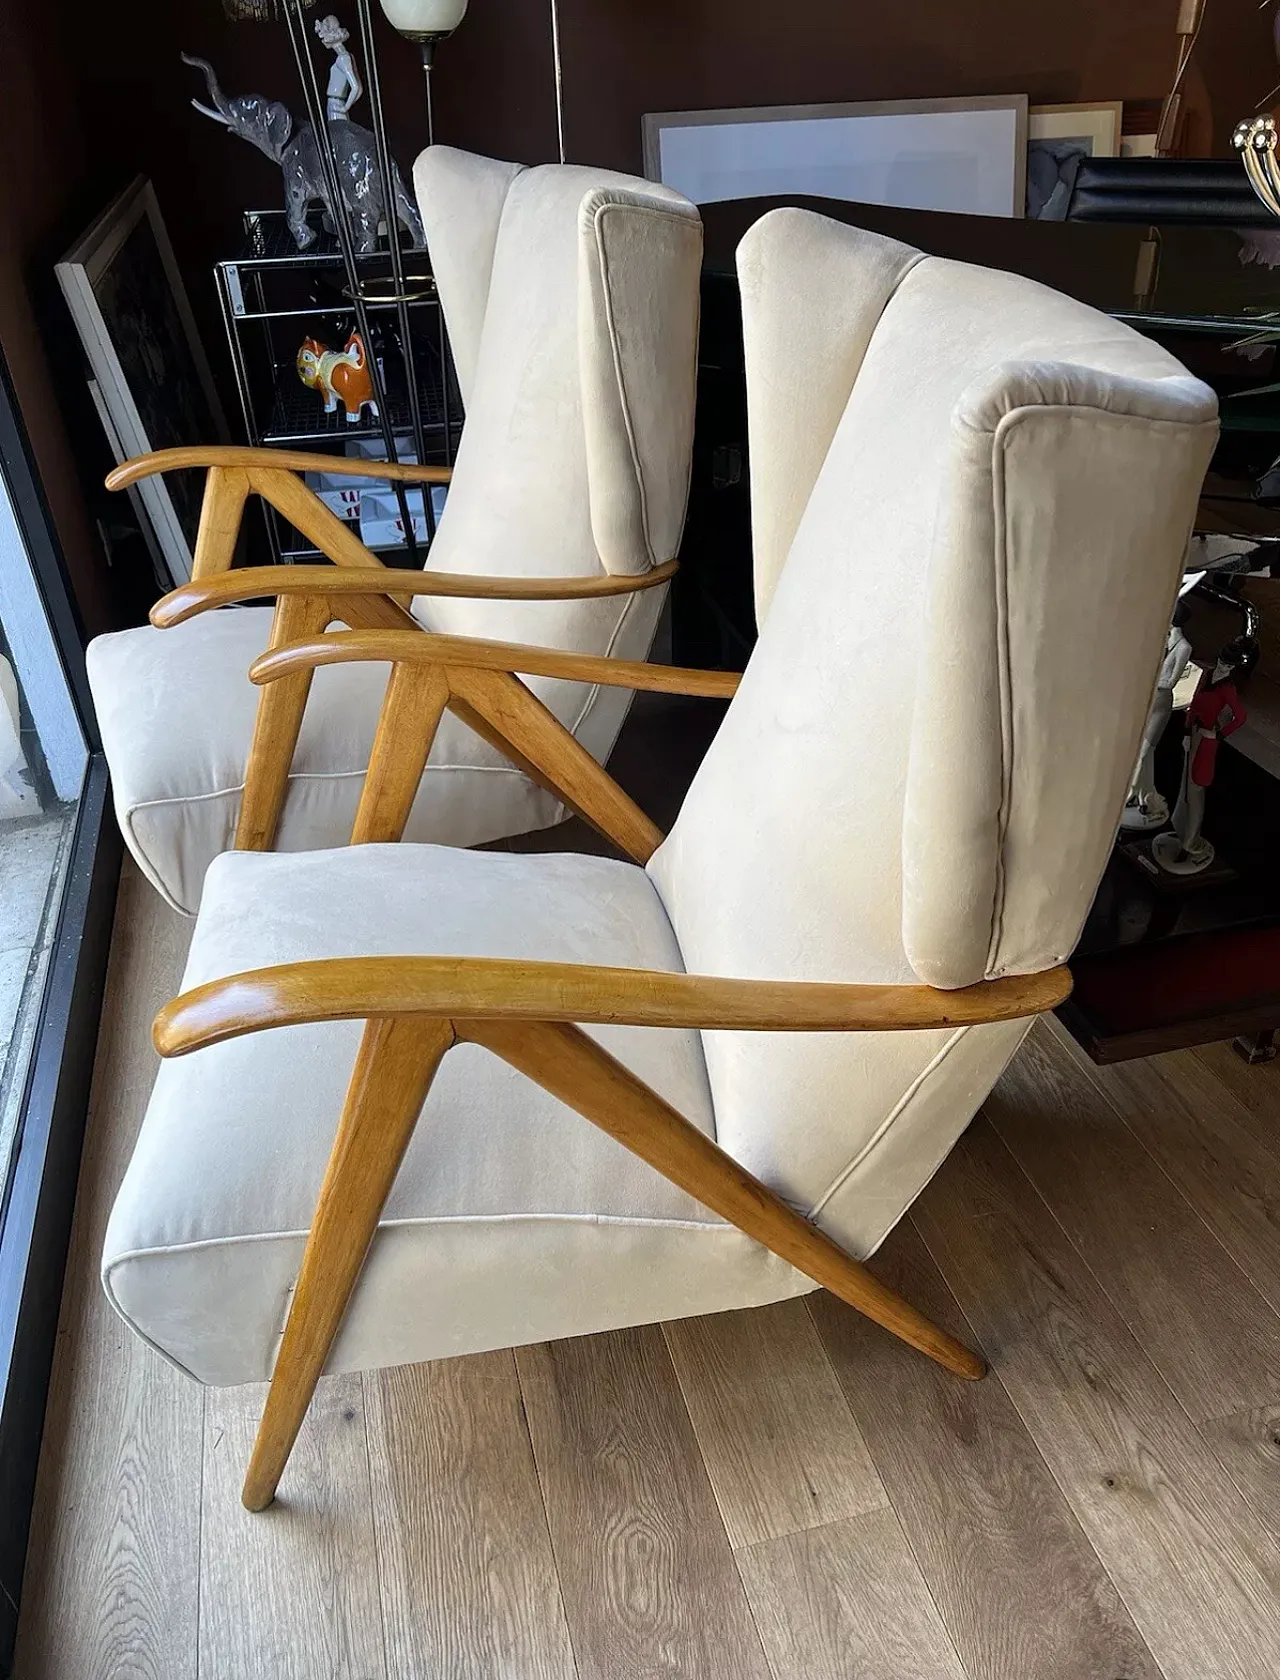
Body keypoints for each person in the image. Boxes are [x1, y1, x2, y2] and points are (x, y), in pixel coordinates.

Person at [1152, 636, 1250, 876]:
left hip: (1207, 738)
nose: (1223, 666)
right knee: (1186, 784)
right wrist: (1187, 730)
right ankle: (1182, 828)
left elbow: (1240, 717)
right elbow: (1195, 702)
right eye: (1222, 662)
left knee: (1196, 787)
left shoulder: (1227, 689)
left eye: (1228, 665)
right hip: (1194, 731)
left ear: (1233, 667)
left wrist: (1217, 735)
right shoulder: (1207, 675)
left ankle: (1191, 839)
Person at [315, 14, 363, 124]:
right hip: (337, 103)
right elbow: (359, 89)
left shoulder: (342, 58)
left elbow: (355, 87)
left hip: (335, 103)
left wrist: (345, 108)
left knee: (338, 135)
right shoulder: (348, 56)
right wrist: (347, 105)